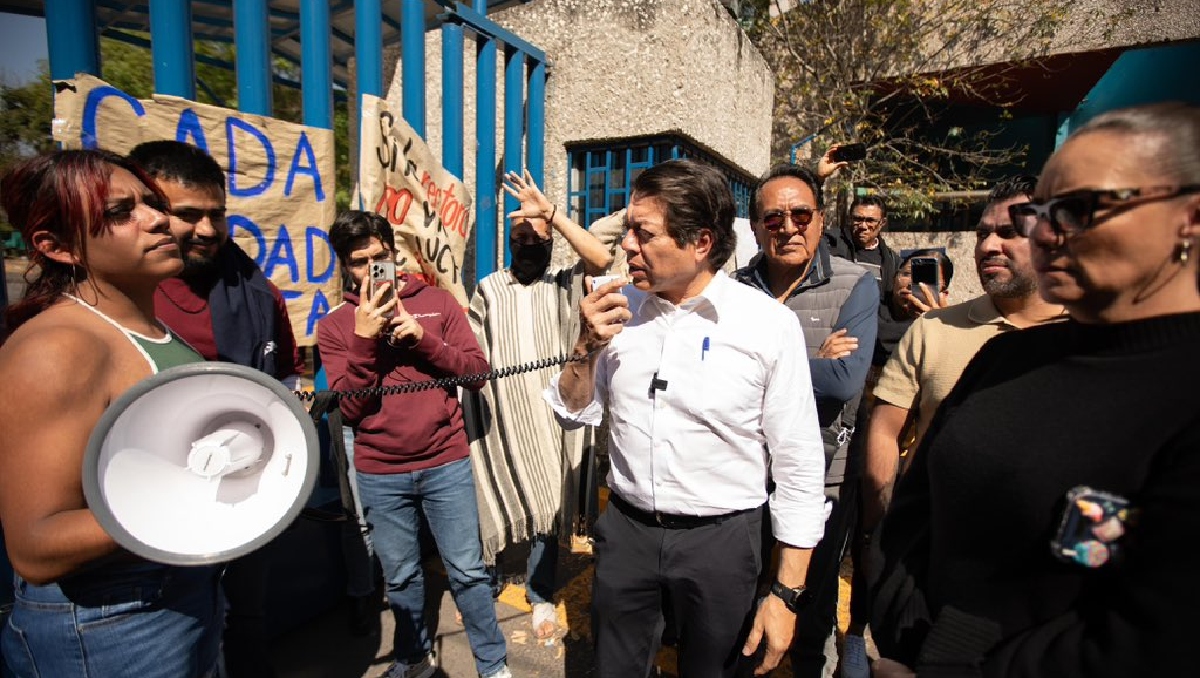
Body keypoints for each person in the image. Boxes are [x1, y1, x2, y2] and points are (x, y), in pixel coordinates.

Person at [870, 101, 1200, 677]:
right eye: (1038, 214)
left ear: (1189, 221)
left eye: (1077, 208)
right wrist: (899, 622)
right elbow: (914, 511)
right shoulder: (1005, 356)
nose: (1043, 234)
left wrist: (950, 665)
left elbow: (1158, 636)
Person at [546, 159, 828, 678]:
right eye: (628, 228)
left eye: (643, 232)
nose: (626, 244)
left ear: (700, 242)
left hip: (721, 543)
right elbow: (572, 411)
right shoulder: (614, 307)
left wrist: (786, 594)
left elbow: (799, 466)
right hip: (627, 533)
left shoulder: (767, 325)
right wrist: (584, 347)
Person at [0, 150, 221, 678]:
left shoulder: (151, 328)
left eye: (152, 202)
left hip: (177, 599)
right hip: (109, 624)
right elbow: (36, 545)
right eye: (119, 213)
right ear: (56, 247)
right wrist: (198, 492)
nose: (158, 219)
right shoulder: (57, 348)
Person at [128, 139, 304, 678]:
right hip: (153, 504)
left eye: (217, 214)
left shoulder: (256, 290)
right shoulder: (121, 294)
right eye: (188, 215)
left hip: (244, 495)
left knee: (246, 618)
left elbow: (286, 374)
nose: (207, 230)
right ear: (150, 214)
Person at [318, 211, 510, 678]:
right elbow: (351, 411)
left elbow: (478, 374)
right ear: (345, 265)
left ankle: (493, 665)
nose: (371, 269)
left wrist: (424, 339)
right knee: (401, 577)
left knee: (467, 571)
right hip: (380, 473)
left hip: (445, 462)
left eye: (379, 257)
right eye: (359, 262)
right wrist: (366, 340)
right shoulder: (336, 325)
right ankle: (413, 659)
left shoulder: (438, 303)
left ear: (393, 252)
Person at [732, 164, 879, 678]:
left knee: (808, 615)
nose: (788, 227)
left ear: (820, 221)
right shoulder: (733, 289)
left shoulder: (855, 283)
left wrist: (758, 361)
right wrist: (811, 355)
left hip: (821, 478)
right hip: (744, 475)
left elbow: (844, 382)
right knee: (742, 611)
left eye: (801, 214)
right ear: (755, 227)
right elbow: (719, 375)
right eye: (774, 218)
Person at [863, 176, 1067, 532]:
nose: (988, 246)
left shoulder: (1091, 337)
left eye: (1007, 233)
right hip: (924, 554)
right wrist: (877, 533)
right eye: (982, 234)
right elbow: (884, 431)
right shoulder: (933, 329)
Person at [465, 169, 612, 639]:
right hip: (503, 416)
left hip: (554, 416)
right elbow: (472, 349)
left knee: (550, 509)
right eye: (518, 236)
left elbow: (601, 255)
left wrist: (551, 212)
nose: (527, 243)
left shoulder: (564, 284)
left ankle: (541, 592)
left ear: (551, 241)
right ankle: (487, 579)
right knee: (495, 492)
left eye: (536, 236)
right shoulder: (488, 288)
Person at [826, 195, 902, 293]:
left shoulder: (892, 262)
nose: (863, 226)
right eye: (858, 219)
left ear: (882, 222)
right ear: (850, 219)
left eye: (870, 220)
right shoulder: (830, 245)